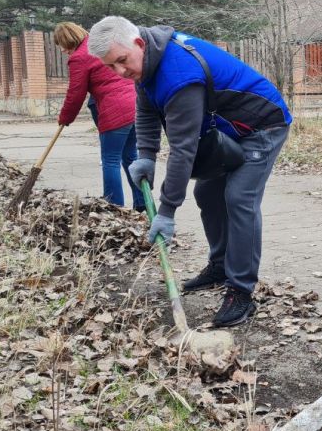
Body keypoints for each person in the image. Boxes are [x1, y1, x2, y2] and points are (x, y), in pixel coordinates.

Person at [87, 16, 292, 328]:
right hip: (228, 129)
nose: (120, 72)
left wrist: (167, 211)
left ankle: (241, 290)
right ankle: (220, 266)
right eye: (111, 66)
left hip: (262, 124)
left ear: (138, 44)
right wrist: (146, 155)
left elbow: (184, 149)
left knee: (239, 198)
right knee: (207, 192)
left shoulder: (177, 74)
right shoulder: (147, 62)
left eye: (122, 61)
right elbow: (145, 109)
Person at [54, 22, 146, 212]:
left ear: (67, 40)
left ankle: (114, 208)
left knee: (110, 160)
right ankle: (142, 203)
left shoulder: (79, 57)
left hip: (115, 110)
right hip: (136, 105)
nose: (62, 50)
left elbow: (75, 94)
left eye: (61, 44)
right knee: (130, 156)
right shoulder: (100, 46)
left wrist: (65, 117)